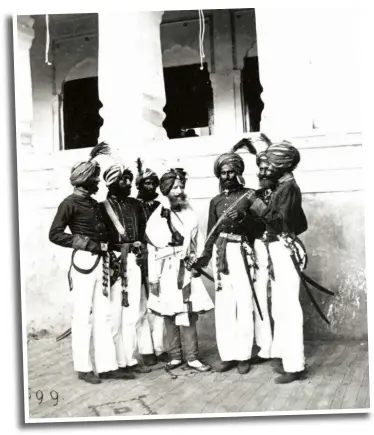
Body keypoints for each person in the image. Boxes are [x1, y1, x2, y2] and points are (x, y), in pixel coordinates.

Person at [49, 143, 133, 384]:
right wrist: (83, 243)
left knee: (104, 314)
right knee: (82, 316)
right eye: (95, 179)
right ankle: (83, 367)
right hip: (84, 262)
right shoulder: (69, 203)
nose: (98, 183)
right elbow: (54, 234)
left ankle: (107, 366)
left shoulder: (95, 205)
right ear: (84, 181)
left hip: (103, 262)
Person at [195, 150, 263, 374]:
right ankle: (228, 355)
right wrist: (201, 260)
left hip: (242, 252)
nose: (227, 176)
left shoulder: (251, 196)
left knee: (244, 303)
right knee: (224, 305)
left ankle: (244, 355)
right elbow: (210, 234)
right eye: (223, 173)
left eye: (231, 171)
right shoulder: (215, 201)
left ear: (238, 172)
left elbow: (261, 228)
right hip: (220, 254)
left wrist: (244, 219)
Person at [248, 140, 308, 383]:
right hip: (277, 248)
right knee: (281, 306)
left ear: (282, 165)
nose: (267, 169)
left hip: (284, 248)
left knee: (289, 308)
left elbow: (280, 221)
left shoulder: (289, 188)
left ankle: (296, 366)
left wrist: (258, 206)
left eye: (271, 164)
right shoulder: (282, 186)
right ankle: (285, 357)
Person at [146, 168, 214, 372]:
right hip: (166, 270)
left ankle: (192, 357)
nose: (179, 191)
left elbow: (198, 240)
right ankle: (175, 356)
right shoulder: (157, 216)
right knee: (169, 313)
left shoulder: (189, 212)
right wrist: (154, 277)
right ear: (166, 190)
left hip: (187, 267)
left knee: (189, 312)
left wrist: (198, 263)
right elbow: (153, 248)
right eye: (174, 187)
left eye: (181, 186)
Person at [99, 163, 152, 376]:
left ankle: (128, 360)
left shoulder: (136, 205)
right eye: (123, 179)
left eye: (129, 179)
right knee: (113, 315)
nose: (128, 183)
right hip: (112, 263)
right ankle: (114, 363)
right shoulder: (101, 207)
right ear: (111, 182)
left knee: (131, 315)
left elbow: (142, 232)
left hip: (134, 261)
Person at [134, 159, 167, 366]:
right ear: (140, 185)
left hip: (157, 258)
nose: (151, 187)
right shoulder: (132, 206)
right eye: (147, 183)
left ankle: (159, 347)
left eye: (154, 183)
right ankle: (146, 349)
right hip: (138, 259)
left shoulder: (160, 207)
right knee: (141, 305)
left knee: (158, 302)